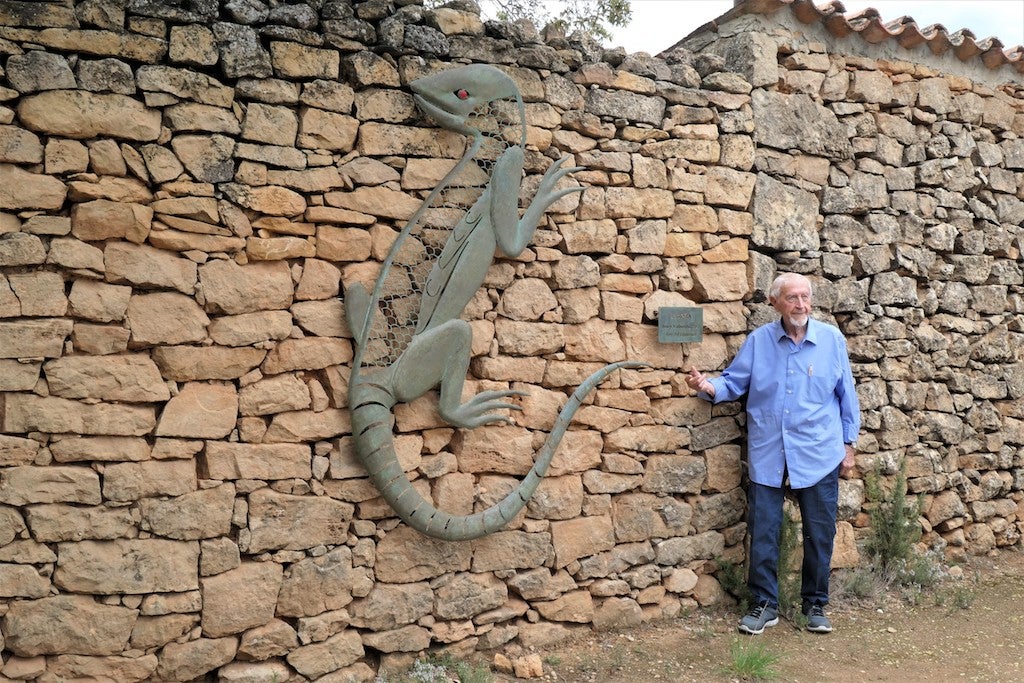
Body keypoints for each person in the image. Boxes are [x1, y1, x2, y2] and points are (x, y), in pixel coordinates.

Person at [685, 272, 860, 635]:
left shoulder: (831, 340)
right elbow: (734, 382)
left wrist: (848, 446)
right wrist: (707, 386)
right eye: (792, 298)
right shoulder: (759, 341)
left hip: (818, 452)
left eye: (805, 297)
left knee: (819, 533)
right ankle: (764, 605)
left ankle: (815, 605)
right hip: (769, 451)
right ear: (775, 302)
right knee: (764, 531)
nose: (800, 304)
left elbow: (847, 396)